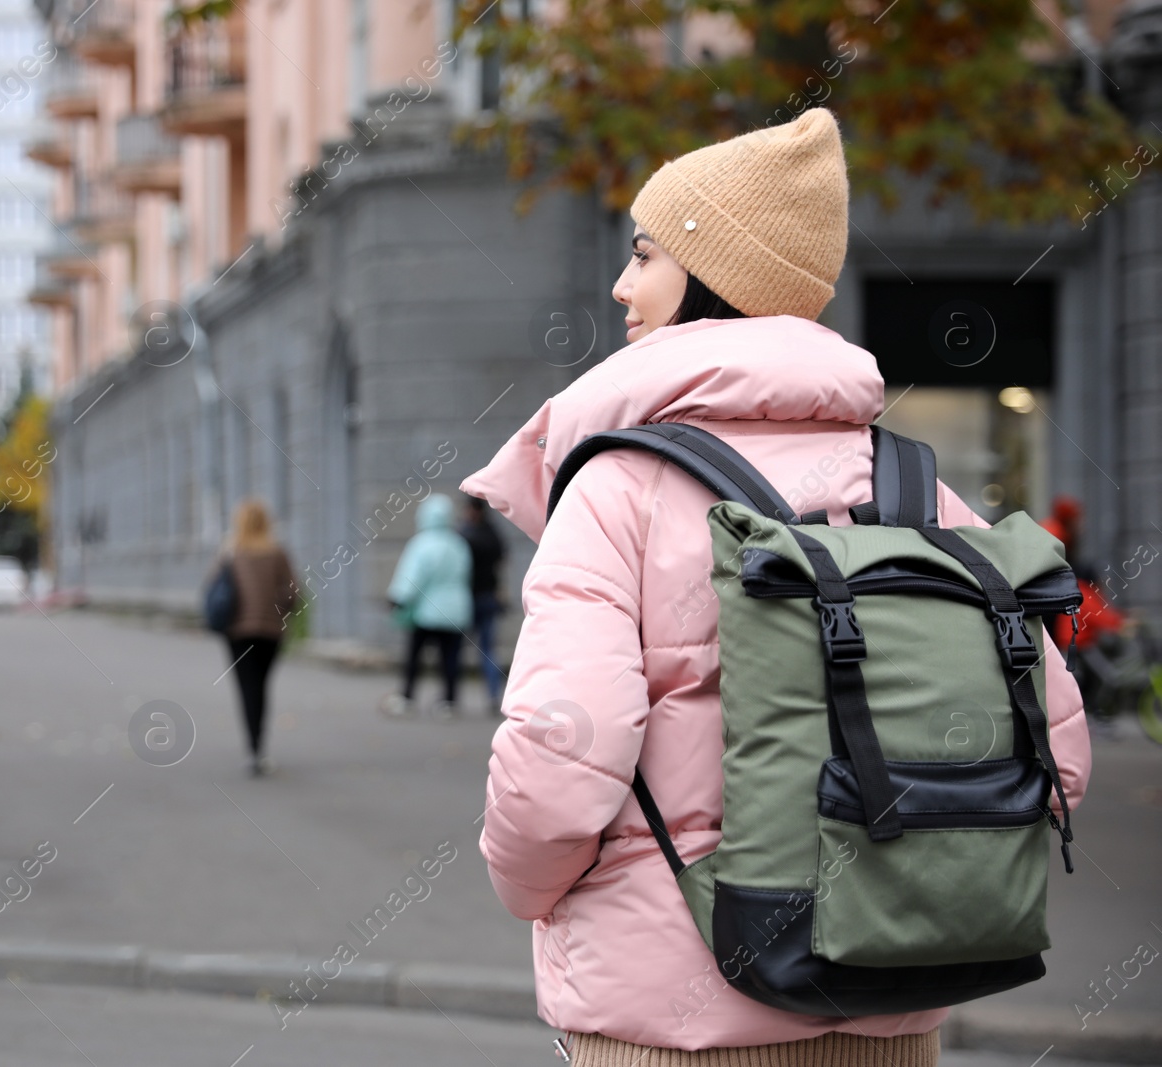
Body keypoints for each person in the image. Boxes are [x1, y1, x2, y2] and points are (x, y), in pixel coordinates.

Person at [459, 109, 1091, 1065]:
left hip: (675, 1017)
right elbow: (1059, 747)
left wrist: (528, 890)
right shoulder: (913, 486)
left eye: (646, 255)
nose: (622, 283)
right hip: (894, 1002)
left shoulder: (617, 485)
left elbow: (560, 756)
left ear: (715, 275)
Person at [216, 499, 297, 776]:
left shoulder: (230, 552)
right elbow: (292, 593)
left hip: (237, 632)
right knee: (261, 687)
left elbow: (213, 590)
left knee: (246, 688)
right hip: (271, 632)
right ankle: (259, 748)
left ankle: (254, 750)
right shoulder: (277, 552)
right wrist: (276, 611)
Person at [381, 493, 473, 717]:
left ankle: (407, 698)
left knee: (414, 657)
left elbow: (411, 577)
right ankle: (449, 702)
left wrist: (398, 598)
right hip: (456, 611)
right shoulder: (459, 543)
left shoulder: (421, 544)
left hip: (427, 612)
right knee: (450, 658)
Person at [457, 496, 506, 715]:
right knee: (487, 649)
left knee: (458, 648)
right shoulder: (493, 535)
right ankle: (493, 695)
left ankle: (451, 697)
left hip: (468, 598)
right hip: (488, 597)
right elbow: (501, 565)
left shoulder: (464, 536)